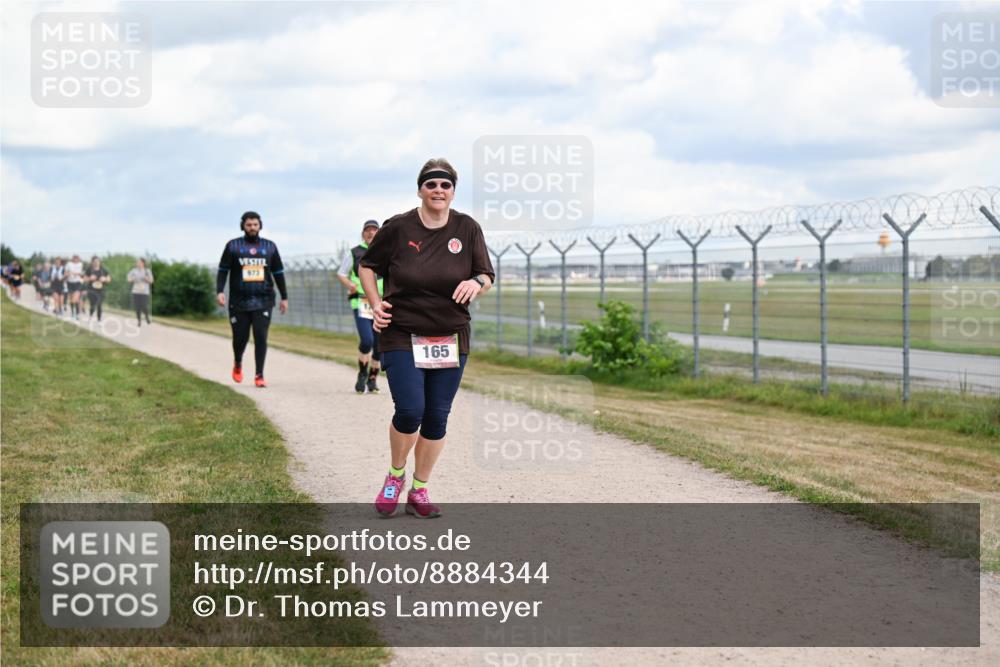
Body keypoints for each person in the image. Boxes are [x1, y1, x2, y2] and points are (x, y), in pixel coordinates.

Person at [359, 158, 494, 519]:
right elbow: (368, 266)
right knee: (410, 409)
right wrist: (375, 304)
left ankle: (419, 490)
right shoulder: (398, 228)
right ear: (420, 189)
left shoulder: (467, 228)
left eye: (445, 185)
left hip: (450, 335)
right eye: (431, 185)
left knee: (436, 418)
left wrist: (475, 282)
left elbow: (486, 274)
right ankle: (395, 475)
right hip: (402, 331)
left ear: (453, 191)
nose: (438, 191)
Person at [216, 211, 288, 388]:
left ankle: (259, 375)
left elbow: (278, 273)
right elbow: (223, 270)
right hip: (238, 301)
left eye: (255, 225)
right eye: (249, 225)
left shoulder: (270, 247)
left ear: (260, 225)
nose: (252, 228)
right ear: (243, 226)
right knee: (240, 338)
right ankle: (238, 362)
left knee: (260, 337)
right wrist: (220, 291)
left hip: (263, 299)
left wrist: (284, 296)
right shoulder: (233, 246)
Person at [337, 220, 384, 393]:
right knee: (367, 340)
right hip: (361, 301)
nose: (371, 233)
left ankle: (372, 379)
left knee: (380, 345)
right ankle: (362, 372)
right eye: (368, 231)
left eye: (374, 230)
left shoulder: (385, 251)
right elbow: (341, 273)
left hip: (381, 303)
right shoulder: (355, 252)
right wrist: (351, 285)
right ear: (363, 233)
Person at [127, 258, 154, 326]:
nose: (137, 263)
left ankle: (147, 317)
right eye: (137, 262)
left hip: (144, 292)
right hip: (136, 291)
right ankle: (139, 321)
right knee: (137, 307)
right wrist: (132, 279)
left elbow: (151, 281)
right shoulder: (134, 271)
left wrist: (147, 279)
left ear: (143, 263)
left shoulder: (147, 271)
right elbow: (128, 279)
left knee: (144, 305)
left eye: (139, 262)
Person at [84, 256, 111, 321]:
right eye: (95, 262)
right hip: (91, 290)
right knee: (93, 305)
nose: (96, 263)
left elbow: (109, 279)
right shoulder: (89, 269)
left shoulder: (103, 269)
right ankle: (91, 315)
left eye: (98, 261)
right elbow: (84, 279)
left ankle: (99, 320)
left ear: (100, 262)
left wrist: (104, 279)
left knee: (99, 304)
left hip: (101, 290)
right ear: (92, 262)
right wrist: (90, 278)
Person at [64, 254, 85, 320]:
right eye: (74, 258)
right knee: (71, 299)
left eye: (77, 258)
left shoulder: (81, 264)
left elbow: (82, 274)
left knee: (75, 298)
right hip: (70, 283)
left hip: (77, 283)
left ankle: (78, 313)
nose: (76, 259)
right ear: (72, 258)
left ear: (79, 259)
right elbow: (65, 273)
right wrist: (68, 274)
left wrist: (78, 274)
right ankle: (73, 313)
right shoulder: (68, 264)